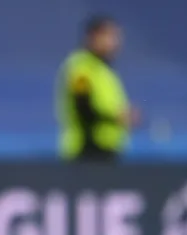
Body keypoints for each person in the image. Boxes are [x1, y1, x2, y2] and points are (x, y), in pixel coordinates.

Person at [56, 16, 139, 163]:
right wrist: (117, 118)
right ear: (94, 36)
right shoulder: (81, 67)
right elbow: (83, 108)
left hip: (106, 151)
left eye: (116, 37)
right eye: (110, 36)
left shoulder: (104, 69)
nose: (115, 42)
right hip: (86, 151)